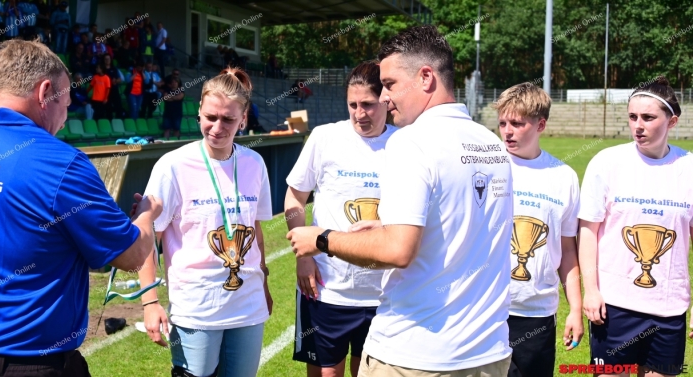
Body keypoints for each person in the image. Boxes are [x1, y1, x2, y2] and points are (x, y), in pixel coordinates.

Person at [0, 39, 163, 377]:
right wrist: (146, 213)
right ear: (45, 92)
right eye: (67, 104)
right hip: (25, 363)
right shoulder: (59, 162)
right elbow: (131, 256)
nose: (64, 118)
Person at [287, 25, 513, 376]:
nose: (385, 97)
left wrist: (320, 239)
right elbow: (460, 225)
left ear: (425, 77)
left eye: (390, 84)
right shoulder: (492, 145)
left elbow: (398, 250)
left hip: (417, 354)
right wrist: (386, 225)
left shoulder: (411, 141)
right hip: (488, 352)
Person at [140, 67, 273, 377]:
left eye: (228, 120)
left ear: (243, 119)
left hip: (248, 304)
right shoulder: (172, 166)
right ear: (199, 112)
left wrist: (263, 279)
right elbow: (148, 235)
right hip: (196, 307)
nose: (217, 127)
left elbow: (254, 230)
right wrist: (149, 302)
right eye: (211, 117)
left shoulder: (255, 163)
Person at [286, 61, 398, 377]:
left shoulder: (404, 144)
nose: (359, 113)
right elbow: (295, 198)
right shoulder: (325, 138)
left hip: (385, 292)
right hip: (326, 288)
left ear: (386, 102)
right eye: (352, 104)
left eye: (368, 105)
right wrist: (303, 255)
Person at [579, 76, 693, 377]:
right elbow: (588, 232)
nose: (638, 125)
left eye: (648, 117)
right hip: (614, 307)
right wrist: (590, 291)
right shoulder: (607, 163)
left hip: (669, 310)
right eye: (632, 117)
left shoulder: (689, 169)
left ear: (672, 121)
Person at [493, 83, 583, 377]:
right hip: (487, 310)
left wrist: (576, 309)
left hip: (536, 316)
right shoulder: (487, 167)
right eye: (503, 123)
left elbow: (568, 250)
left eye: (517, 124)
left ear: (540, 124)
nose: (507, 131)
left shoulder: (564, 177)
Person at [101, 54, 124, 119]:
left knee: (118, 106)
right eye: (106, 59)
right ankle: (109, 123)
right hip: (106, 91)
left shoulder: (114, 69)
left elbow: (120, 79)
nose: (107, 60)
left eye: (108, 59)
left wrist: (116, 81)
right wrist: (110, 81)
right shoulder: (102, 69)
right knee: (108, 108)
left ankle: (119, 121)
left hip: (114, 90)